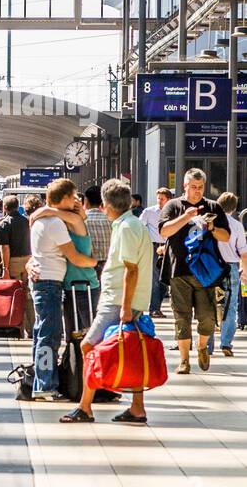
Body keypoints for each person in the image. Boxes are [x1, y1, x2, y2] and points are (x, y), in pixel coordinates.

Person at [58, 179, 154, 426]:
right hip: (122, 301)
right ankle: (137, 408)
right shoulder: (129, 224)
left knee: (87, 346)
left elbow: (131, 270)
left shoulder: (127, 228)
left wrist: (124, 306)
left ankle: (85, 407)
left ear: (108, 205)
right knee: (129, 350)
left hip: (117, 302)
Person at [25, 178, 98, 400]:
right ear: (64, 198)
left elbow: (79, 218)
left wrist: (45, 210)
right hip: (49, 283)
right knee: (49, 335)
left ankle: (40, 381)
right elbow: (74, 256)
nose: (77, 200)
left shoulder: (44, 220)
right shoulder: (55, 223)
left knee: (42, 334)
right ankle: (45, 385)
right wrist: (96, 263)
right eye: (74, 196)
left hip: (44, 282)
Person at [159, 168, 230, 374]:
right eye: (193, 187)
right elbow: (164, 230)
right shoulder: (174, 206)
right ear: (185, 186)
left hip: (205, 272)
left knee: (207, 317)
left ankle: (201, 347)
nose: (197, 191)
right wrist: (185, 216)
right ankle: (184, 360)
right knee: (182, 316)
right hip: (178, 269)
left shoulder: (213, 206)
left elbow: (225, 236)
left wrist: (212, 228)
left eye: (200, 188)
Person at [0, 195, 34, 335]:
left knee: (15, 295)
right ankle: (31, 329)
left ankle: (17, 328)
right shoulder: (28, 222)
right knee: (28, 295)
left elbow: (5, 248)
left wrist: (5, 268)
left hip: (13, 262)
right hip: (29, 261)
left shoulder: (4, 224)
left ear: (5, 207)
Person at [216, 192, 247, 357]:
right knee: (230, 306)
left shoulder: (207, 221)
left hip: (211, 268)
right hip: (231, 268)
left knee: (209, 304)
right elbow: (244, 253)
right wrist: (245, 272)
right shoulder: (236, 225)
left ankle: (206, 345)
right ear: (234, 208)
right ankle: (226, 343)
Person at [139, 187, 173, 316]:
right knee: (155, 278)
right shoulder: (149, 212)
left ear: (168, 200)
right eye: (158, 198)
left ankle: (156, 307)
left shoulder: (173, 212)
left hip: (168, 246)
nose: (159, 201)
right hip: (153, 246)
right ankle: (154, 308)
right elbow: (140, 226)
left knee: (165, 279)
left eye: (162, 199)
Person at [83, 185, 111, 278]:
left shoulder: (81, 221)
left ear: (86, 201)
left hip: (87, 268)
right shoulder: (111, 220)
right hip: (109, 267)